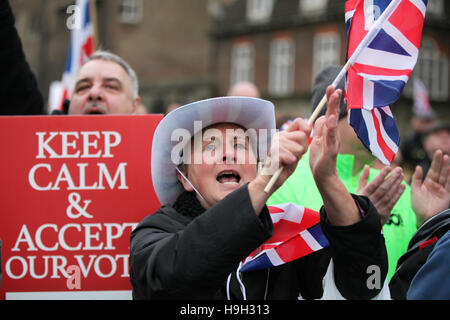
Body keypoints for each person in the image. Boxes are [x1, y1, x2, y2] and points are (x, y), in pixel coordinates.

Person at [129, 89, 389, 300]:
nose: (228, 154)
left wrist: (328, 181)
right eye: (211, 146)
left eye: (239, 145)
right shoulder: (154, 232)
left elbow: (366, 283)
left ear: (255, 165)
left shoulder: (288, 233)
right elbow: (169, 282)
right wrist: (265, 182)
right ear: (184, 178)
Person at [267, 65, 417, 282]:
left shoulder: (397, 186)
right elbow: (280, 273)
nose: (381, 119)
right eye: (368, 111)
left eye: (383, 110)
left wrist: (428, 221)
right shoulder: (283, 180)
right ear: (331, 117)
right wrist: (356, 225)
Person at [1, 1, 141, 116]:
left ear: (134, 106)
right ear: (69, 103)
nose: (94, 93)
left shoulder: (156, 150)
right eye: (83, 87)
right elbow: (9, 66)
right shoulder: (42, 143)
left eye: (111, 86)